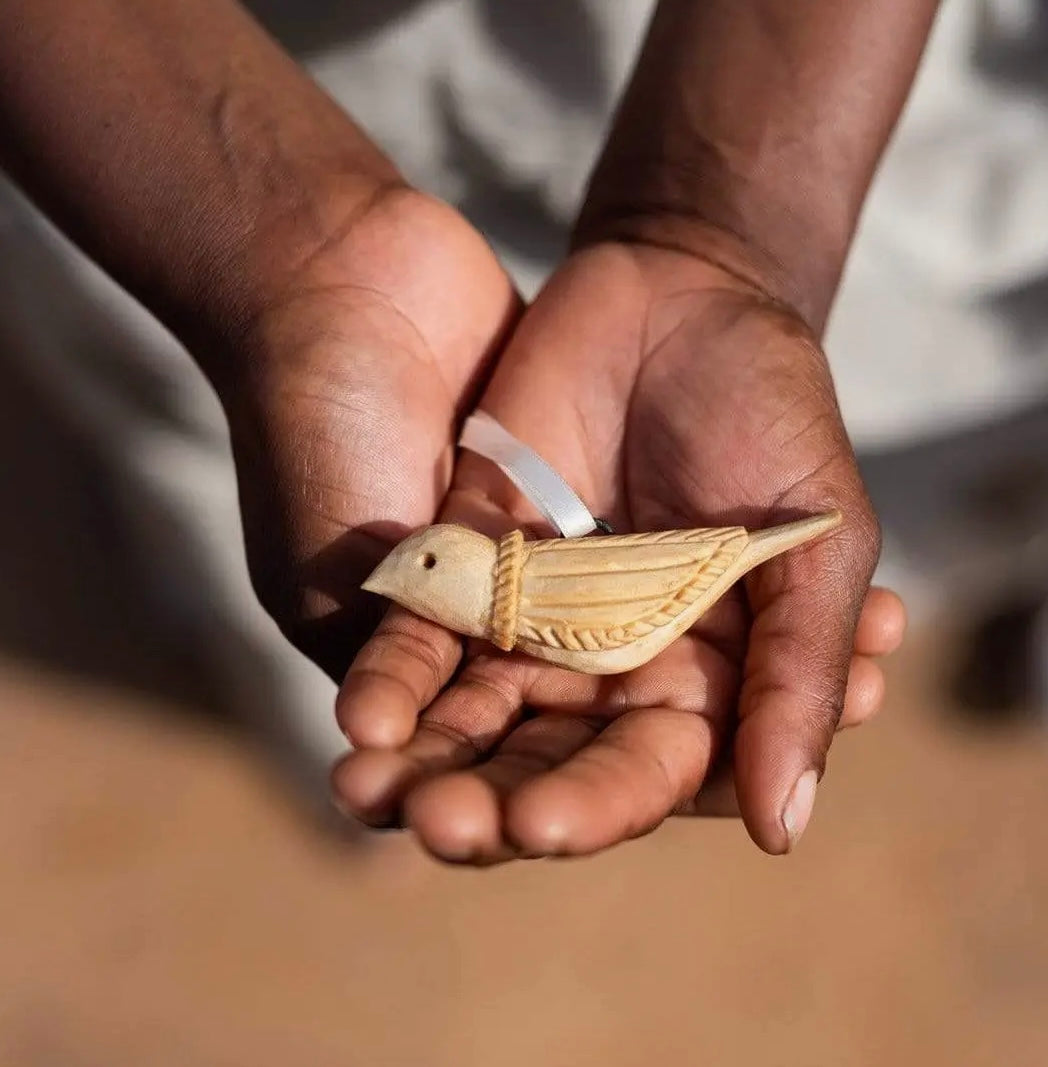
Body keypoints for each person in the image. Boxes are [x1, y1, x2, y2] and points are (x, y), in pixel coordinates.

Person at [0, 0, 927, 864]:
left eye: (429, 567)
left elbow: (639, 593)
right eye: (431, 564)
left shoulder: (540, 603)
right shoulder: (512, 586)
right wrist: (286, 261)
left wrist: (729, 233)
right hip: (136, 132)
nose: (405, 566)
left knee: (933, 487)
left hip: (826, 110)